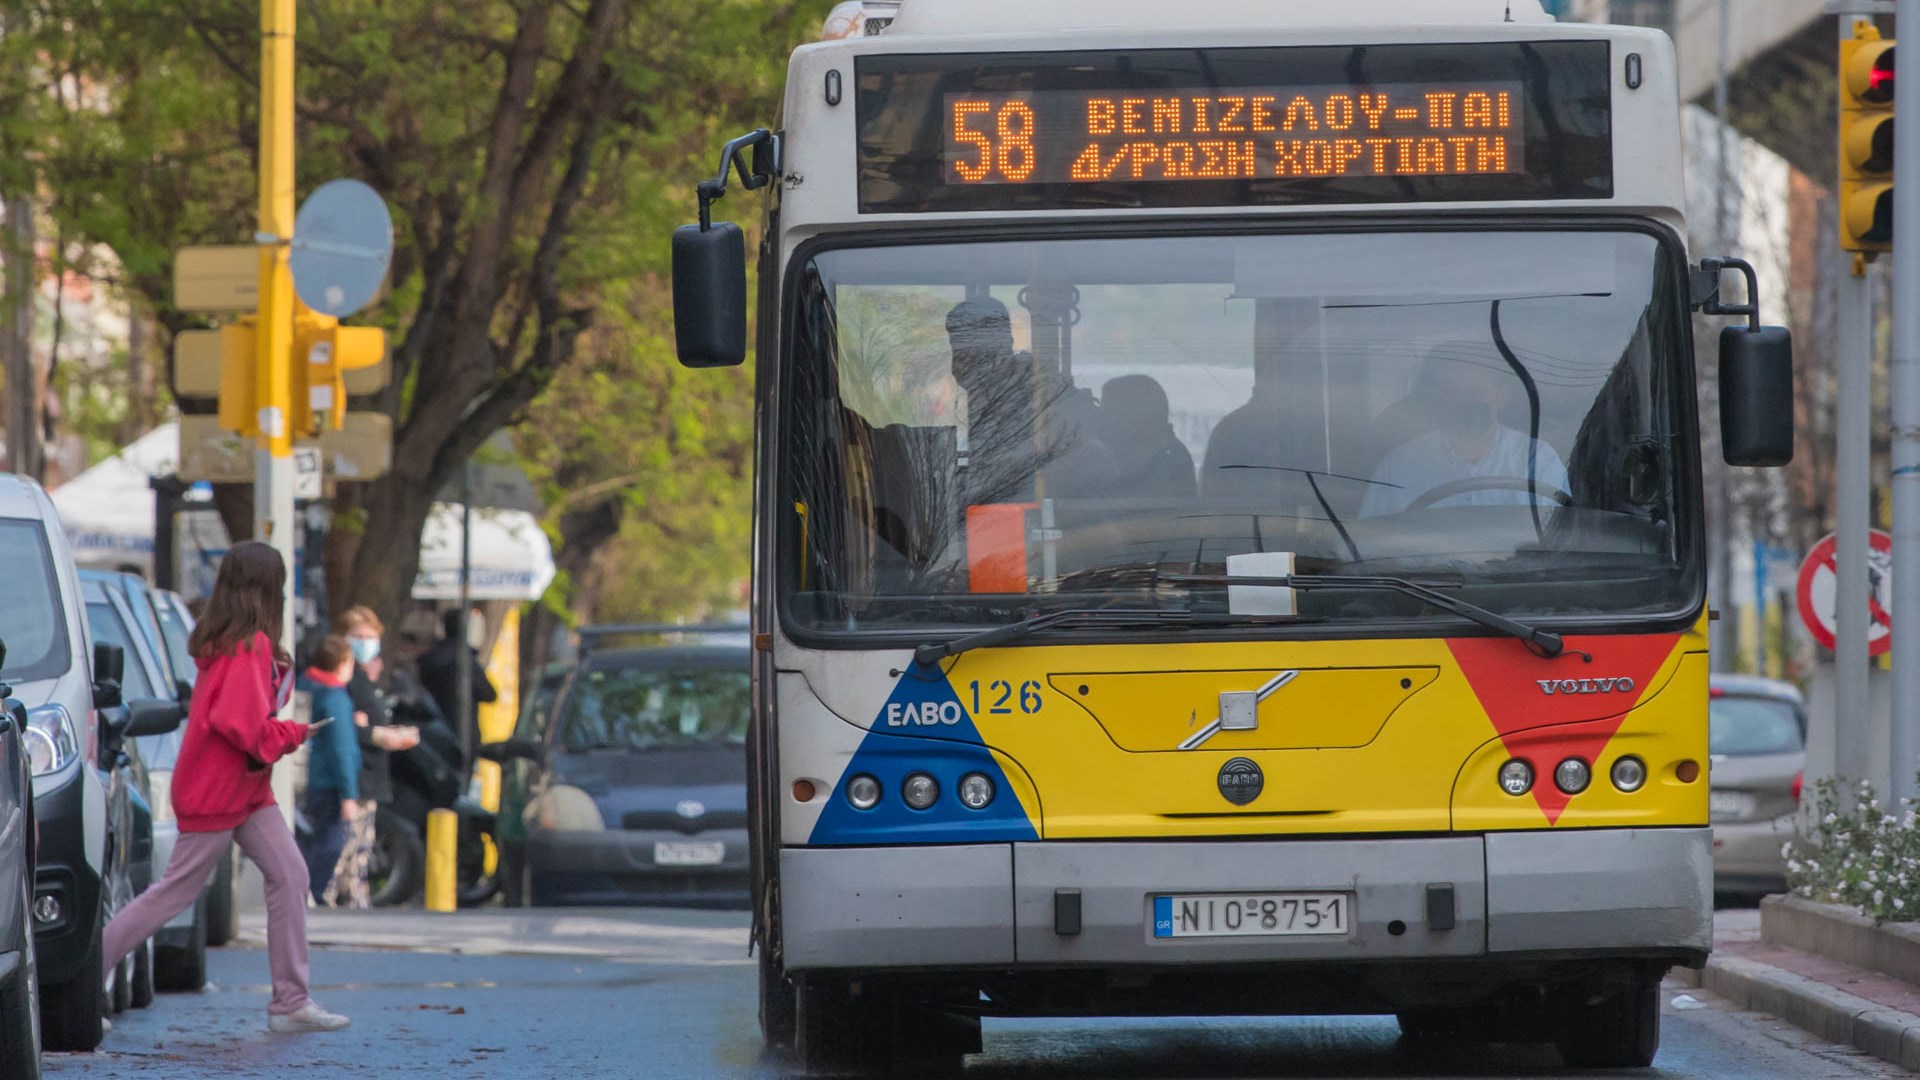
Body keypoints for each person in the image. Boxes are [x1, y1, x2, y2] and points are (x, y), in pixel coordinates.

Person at [99, 540, 350, 1032]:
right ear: (267, 589)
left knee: (291, 874)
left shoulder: (233, 643)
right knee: (175, 892)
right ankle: (86, 979)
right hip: (222, 788)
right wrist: (295, 733)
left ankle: (290, 1001)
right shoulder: (248, 646)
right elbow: (243, 727)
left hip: (239, 789)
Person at [1360, 352, 1568, 517]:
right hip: (1423, 571)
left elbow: (1562, 535)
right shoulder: (1400, 464)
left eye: (1475, 392)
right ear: (1437, 399)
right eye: (1451, 392)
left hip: (1522, 569)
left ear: (1501, 397)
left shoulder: (1538, 458)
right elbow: (1372, 541)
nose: (1462, 401)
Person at [330, 606, 419, 909]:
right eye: (358, 636)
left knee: (359, 846)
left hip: (369, 774)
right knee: (348, 847)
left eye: (370, 637)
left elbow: (366, 720)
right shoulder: (345, 677)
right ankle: (343, 901)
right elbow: (343, 726)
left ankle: (353, 900)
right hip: (355, 775)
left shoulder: (363, 675)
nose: (365, 642)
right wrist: (378, 735)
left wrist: (381, 731)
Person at [297, 635, 361, 905]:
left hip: (301, 776)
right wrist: (349, 794)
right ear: (343, 664)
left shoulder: (302, 687)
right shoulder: (334, 698)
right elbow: (341, 748)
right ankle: (308, 891)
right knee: (331, 842)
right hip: (326, 782)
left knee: (303, 840)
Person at [417, 607, 497, 769]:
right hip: (464, 733)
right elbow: (489, 694)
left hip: (434, 731)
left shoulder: (430, 658)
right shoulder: (466, 660)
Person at [1097, 374, 1196, 497]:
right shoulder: (1134, 453)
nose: (1101, 419)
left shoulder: (1167, 459)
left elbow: (1125, 507)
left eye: (1110, 412)